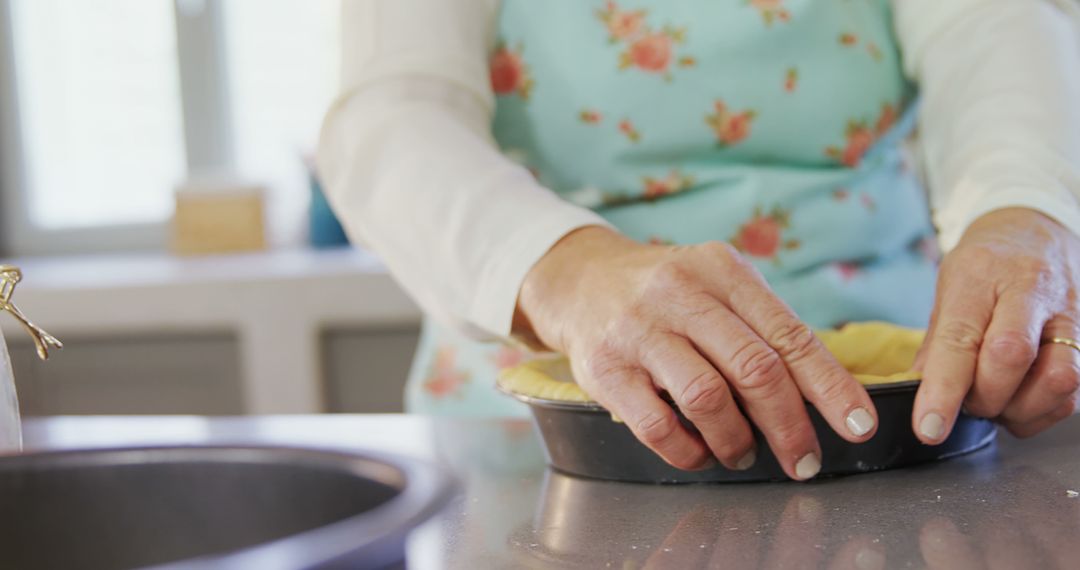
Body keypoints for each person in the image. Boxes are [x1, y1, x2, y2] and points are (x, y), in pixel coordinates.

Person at [318, 0, 1080, 480]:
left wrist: (1024, 206)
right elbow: (392, 115)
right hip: (544, 418)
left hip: (908, 404)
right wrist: (570, 274)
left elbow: (997, 26)